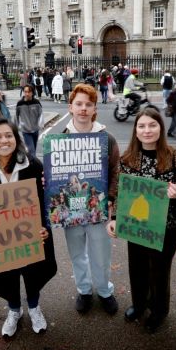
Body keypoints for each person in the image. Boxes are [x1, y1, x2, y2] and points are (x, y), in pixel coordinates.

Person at [0, 118, 57, 337]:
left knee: (33, 272)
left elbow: (44, 200)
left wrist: (45, 227)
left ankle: (34, 307)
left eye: (8, 135)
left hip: (32, 235)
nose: (4, 140)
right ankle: (14, 310)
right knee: (5, 275)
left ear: (16, 140)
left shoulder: (33, 165)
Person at [106, 107, 176, 333]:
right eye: (142, 126)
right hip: (137, 226)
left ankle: (158, 311)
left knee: (160, 272)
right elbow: (119, 192)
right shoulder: (127, 159)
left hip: (167, 228)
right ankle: (139, 304)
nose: (147, 130)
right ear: (136, 130)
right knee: (137, 268)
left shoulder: (175, 157)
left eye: (152, 125)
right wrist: (114, 218)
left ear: (160, 128)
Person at [60, 84, 120, 314]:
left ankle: (104, 290)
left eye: (88, 104)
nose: (83, 109)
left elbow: (116, 170)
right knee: (77, 252)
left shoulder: (107, 139)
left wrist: (112, 198)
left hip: (98, 208)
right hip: (70, 207)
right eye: (79, 104)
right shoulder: (59, 139)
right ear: (70, 108)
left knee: (101, 253)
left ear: (95, 109)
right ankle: (84, 290)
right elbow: (53, 174)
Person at [16, 85, 44, 157]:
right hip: (26, 131)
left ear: (32, 92)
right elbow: (16, 116)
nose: (27, 94)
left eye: (29, 92)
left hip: (35, 130)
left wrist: (41, 124)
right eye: (25, 92)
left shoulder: (36, 103)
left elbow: (41, 114)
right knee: (32, 151)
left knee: (33, 148)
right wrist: (17, 126)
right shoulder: (20, 103)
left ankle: (29, 162)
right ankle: (33, 166)